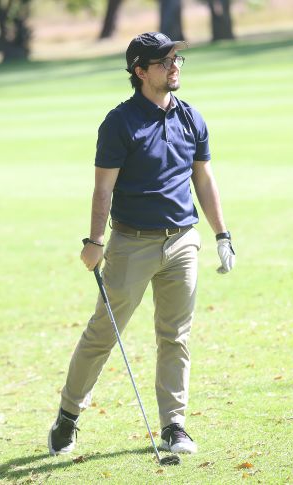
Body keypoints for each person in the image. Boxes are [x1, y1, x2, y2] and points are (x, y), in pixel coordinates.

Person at [48, 32, 235, 457]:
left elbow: (203, 178)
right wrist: (95, 241)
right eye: (164, 62)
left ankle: (174, 425)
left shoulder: (191, 117)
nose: (174, 67)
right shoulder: (120, 122)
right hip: (131, 244)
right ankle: (68, 415)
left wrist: (222, 234)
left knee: (175, 337)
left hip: (183, 242)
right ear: (140, 71)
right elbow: (103, 188)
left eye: (177, 60)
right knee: (103, 334)